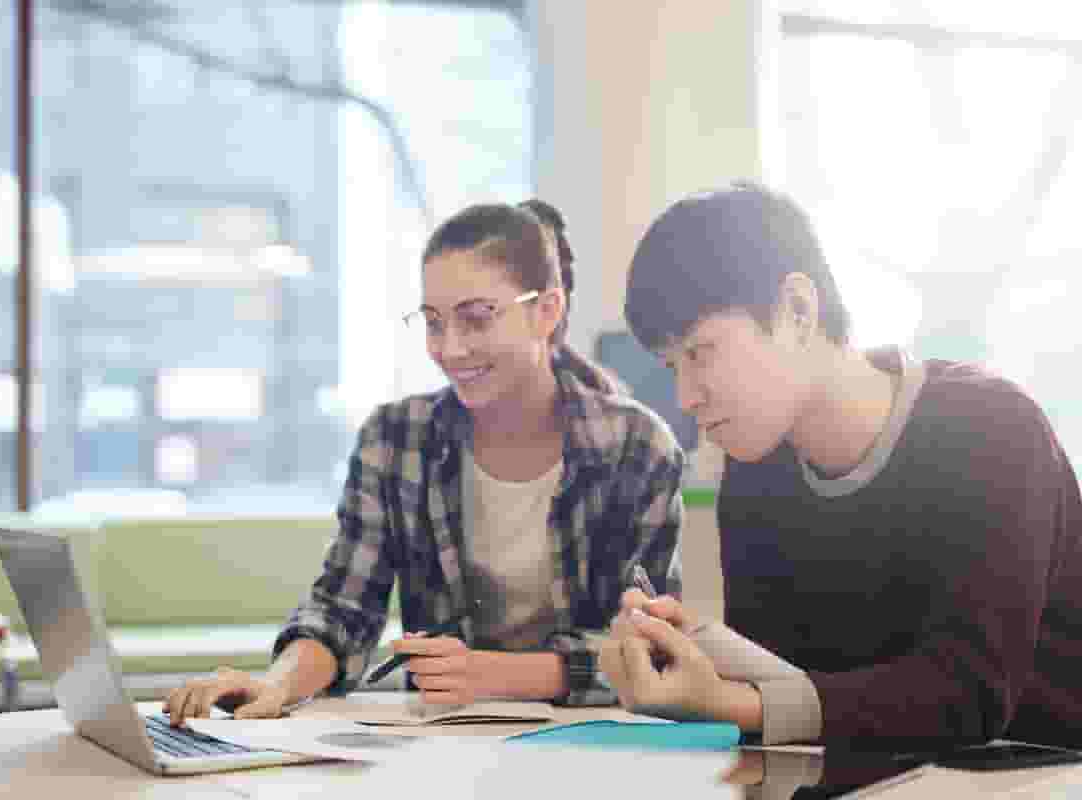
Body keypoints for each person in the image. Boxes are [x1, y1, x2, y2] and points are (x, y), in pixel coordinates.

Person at [166, 199, 686, 725]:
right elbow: (343, 609)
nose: (450, 348)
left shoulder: (636, 446)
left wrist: (493, 675)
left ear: (547, 311)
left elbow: (650, 648)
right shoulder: (395, 439)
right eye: (434, 323)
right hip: (440, 737)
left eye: (476, 319)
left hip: (593, 742)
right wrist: (275, 684)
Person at [600, 181, 1082, 747]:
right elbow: (789, 682)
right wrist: (692, 650)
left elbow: (968, 694)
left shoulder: (993, 428)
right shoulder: (757, 466)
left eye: (700, 352)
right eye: (670, 364)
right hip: (869, 773)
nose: (684, 397)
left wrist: (729, 701)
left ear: (798, 311)